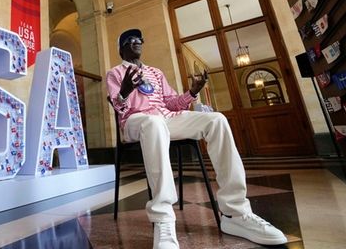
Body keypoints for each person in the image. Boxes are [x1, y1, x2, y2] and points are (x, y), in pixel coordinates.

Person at [106, 28, 287, 248]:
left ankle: (235, 214)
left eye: (139, 40)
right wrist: (124, 91)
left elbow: (170, 103)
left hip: (167, 119)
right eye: (130, 40)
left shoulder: (156, 72)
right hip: (136, 121)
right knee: (152, 123)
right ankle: (163, 218)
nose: (136, 42)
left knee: (216, 119)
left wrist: (191, 93)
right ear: (121, 48)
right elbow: (119, 109)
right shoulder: (115, 73)